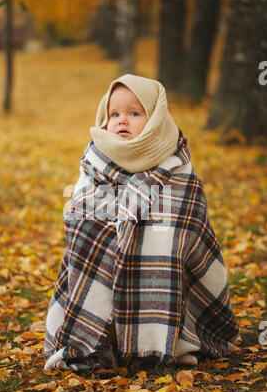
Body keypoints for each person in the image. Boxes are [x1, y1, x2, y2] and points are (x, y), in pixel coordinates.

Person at [44, 74, 239, 373]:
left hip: (164, 251)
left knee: (166, 250)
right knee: (93, 243)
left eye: (134, 113)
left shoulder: (173, 160)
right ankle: (98, 342)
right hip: (107, 244)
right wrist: (102, 218)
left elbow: (188, 213)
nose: (122, 120)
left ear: (156, 119)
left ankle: (174, 343)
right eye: (115, 114)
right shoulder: (96, 158)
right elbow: (79, 206)